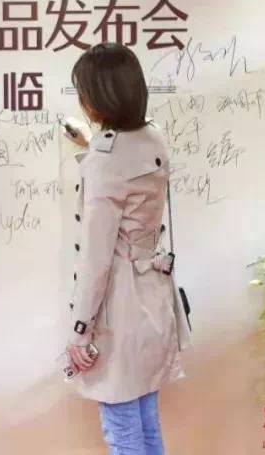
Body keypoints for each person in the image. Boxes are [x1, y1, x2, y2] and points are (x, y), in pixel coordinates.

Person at [63, 43, 184, 455]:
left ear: (97, 100)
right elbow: (129, 186)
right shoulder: (153, 138)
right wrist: (91, 145)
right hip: (153, 298)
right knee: (146, 424)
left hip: (119, 308)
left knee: (122, 433)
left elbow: (96, 259)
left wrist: (80, 332)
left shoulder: (105, 159)